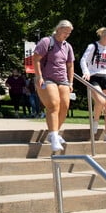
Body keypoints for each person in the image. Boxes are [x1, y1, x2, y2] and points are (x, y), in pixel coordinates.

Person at [32, 20, 75, 152]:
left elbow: (70, 65)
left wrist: (71, 82)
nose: (66, 35)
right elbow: (36, 59)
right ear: (58, 29)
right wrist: (39, 76)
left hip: (63, 80)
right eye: (65, 32)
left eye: (68, 33)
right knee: (53, 105)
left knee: (64, 107)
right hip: (47, 78)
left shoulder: (67, 46)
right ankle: (54, 136)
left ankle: (54, 133)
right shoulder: (47, 42)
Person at [80, 27, 106, 143]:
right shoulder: (93, 46)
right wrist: (86, 72)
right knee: (100, 101)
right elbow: (83, 60)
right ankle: (96, 121)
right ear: (102, 36)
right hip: (93, 77)